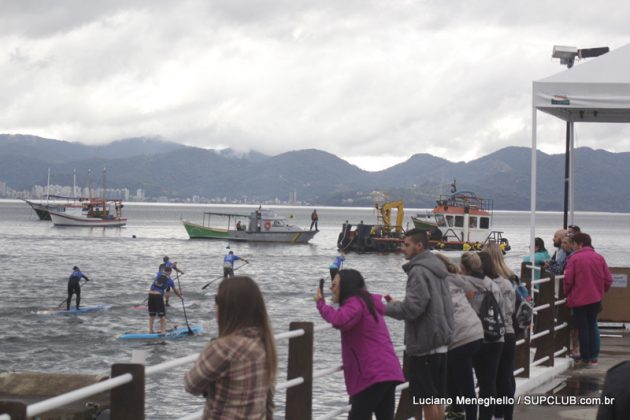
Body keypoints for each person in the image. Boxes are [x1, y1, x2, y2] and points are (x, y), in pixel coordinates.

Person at [315, 269, 404, 420]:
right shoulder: (367, 302)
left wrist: (321, 304)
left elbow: (340, 320)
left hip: (372, 374)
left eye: (334, 284)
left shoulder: (355, 303)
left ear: (346, 286)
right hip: (388, 370)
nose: (331, 288)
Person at [384, 229, 454, 420]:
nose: (402, 249)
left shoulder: (418, 271)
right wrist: (398, 304)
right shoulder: (437, 268)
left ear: (419, 246)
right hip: (441, 341)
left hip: (425, 343)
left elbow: (413, 309)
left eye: (406, 245)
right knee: (436, 398)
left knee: (427, 400)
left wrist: (383, 309)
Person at [184, 276, 277, 419]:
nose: (214, 306)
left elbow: (191, 384)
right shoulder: (263, 342)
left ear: (228, 307)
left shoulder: (225, 348)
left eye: (217, 300)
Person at [436, 254, 483, 420]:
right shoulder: (456, 279)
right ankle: (457, 409)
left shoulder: (437, 283)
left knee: (465, 383)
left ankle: (465, 413)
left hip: (461, 336)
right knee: (453, 373)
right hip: (475, 330)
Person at [459, 252, 505, 420]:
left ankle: (465, 414)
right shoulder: (493, 285)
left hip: (475, 337)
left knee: (466, 381)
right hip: (496, 338)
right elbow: (500, 307)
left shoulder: (464, 284)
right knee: (489, 382)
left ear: (463, 268)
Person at [564, 233, 612, 367]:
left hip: (578, 299)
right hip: (595, 299)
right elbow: (608, 279)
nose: (572, 247)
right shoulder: (599, 258)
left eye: (573, 244)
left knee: (583, 327)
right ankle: (594, 356)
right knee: (593, 325)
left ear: (579, 244)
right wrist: (601, 291)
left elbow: (568, 280)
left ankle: (585, 357)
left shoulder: (574, 259)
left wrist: (567, 293)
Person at [479, 250, 516, 420]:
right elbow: (510, 309)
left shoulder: (483, 285)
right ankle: (506, 415)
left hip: (490, 334)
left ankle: (492, 413)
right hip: (508, 331)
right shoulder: (508, 282)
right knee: (506, 377)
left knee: (489, 379)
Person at [148, 266, 183, 334]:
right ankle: (163, 331)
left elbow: (167, 266)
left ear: (164, 270)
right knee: (162, 316)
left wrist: (173, 266)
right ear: (170, 272)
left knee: (152, 315)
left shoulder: (159, 274)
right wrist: (180, 297)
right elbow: (175, 291)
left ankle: (150, 331)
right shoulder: (170, 281)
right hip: (158, 296)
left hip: (150, 295)